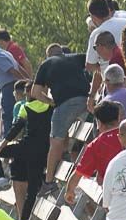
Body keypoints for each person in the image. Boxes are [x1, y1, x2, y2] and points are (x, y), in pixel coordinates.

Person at [0, 91, 55, 220]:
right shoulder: (52, 107)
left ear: (28, 96)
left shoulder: (26, 107)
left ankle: (1, 177)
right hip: (42, 152)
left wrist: (0, 148)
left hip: (25, 147)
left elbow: (15, 129)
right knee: (32, 192)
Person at [33, 46, 92, 182]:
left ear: (48, 55)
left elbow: (35, 92)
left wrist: (52, 102)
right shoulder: (77, 57)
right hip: (86, 101)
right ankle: (76, 162)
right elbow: (97, 65)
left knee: (55, 141)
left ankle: (48, 180)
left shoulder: (46, 64)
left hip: (65, 104)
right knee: (84, 134)